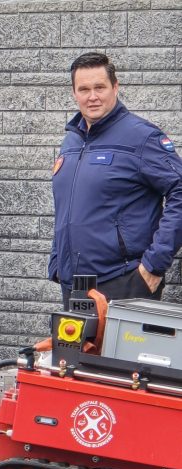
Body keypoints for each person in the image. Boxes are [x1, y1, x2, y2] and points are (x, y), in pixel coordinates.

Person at [50, 52, 182, 307]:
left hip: (123, 283)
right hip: (74, 286)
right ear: (74, 93)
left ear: (115, 87)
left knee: (116, 350)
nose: (92, 96)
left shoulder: (142, 137)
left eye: (100, 87)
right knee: (74, 349)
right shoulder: (72, 140)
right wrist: (57, 261)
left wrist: (153, 266)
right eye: (84, 89)